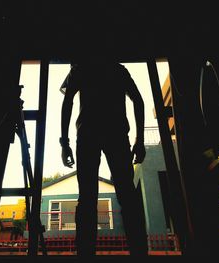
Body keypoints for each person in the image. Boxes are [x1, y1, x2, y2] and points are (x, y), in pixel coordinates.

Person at [59, 54, 148, 257]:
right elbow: (138, 101)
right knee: (127, 195)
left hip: (88, 135)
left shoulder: (80, 69)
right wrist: (139, 140)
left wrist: (65, 142)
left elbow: (68, 103)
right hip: (116, 133)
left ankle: (85, 254)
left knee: (88, 198)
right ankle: (140, 253)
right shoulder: (118, 70)